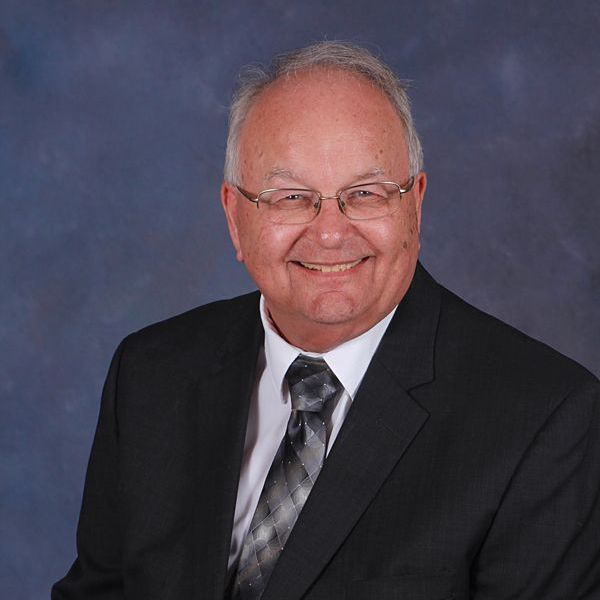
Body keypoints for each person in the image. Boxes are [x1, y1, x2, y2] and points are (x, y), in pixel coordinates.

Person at [52, 41, 600, 600]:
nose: (331, 232)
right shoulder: (151, 373)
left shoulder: (544, 419)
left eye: (365, 193)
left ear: (415, 204)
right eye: (290, 196)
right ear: (235, 217)